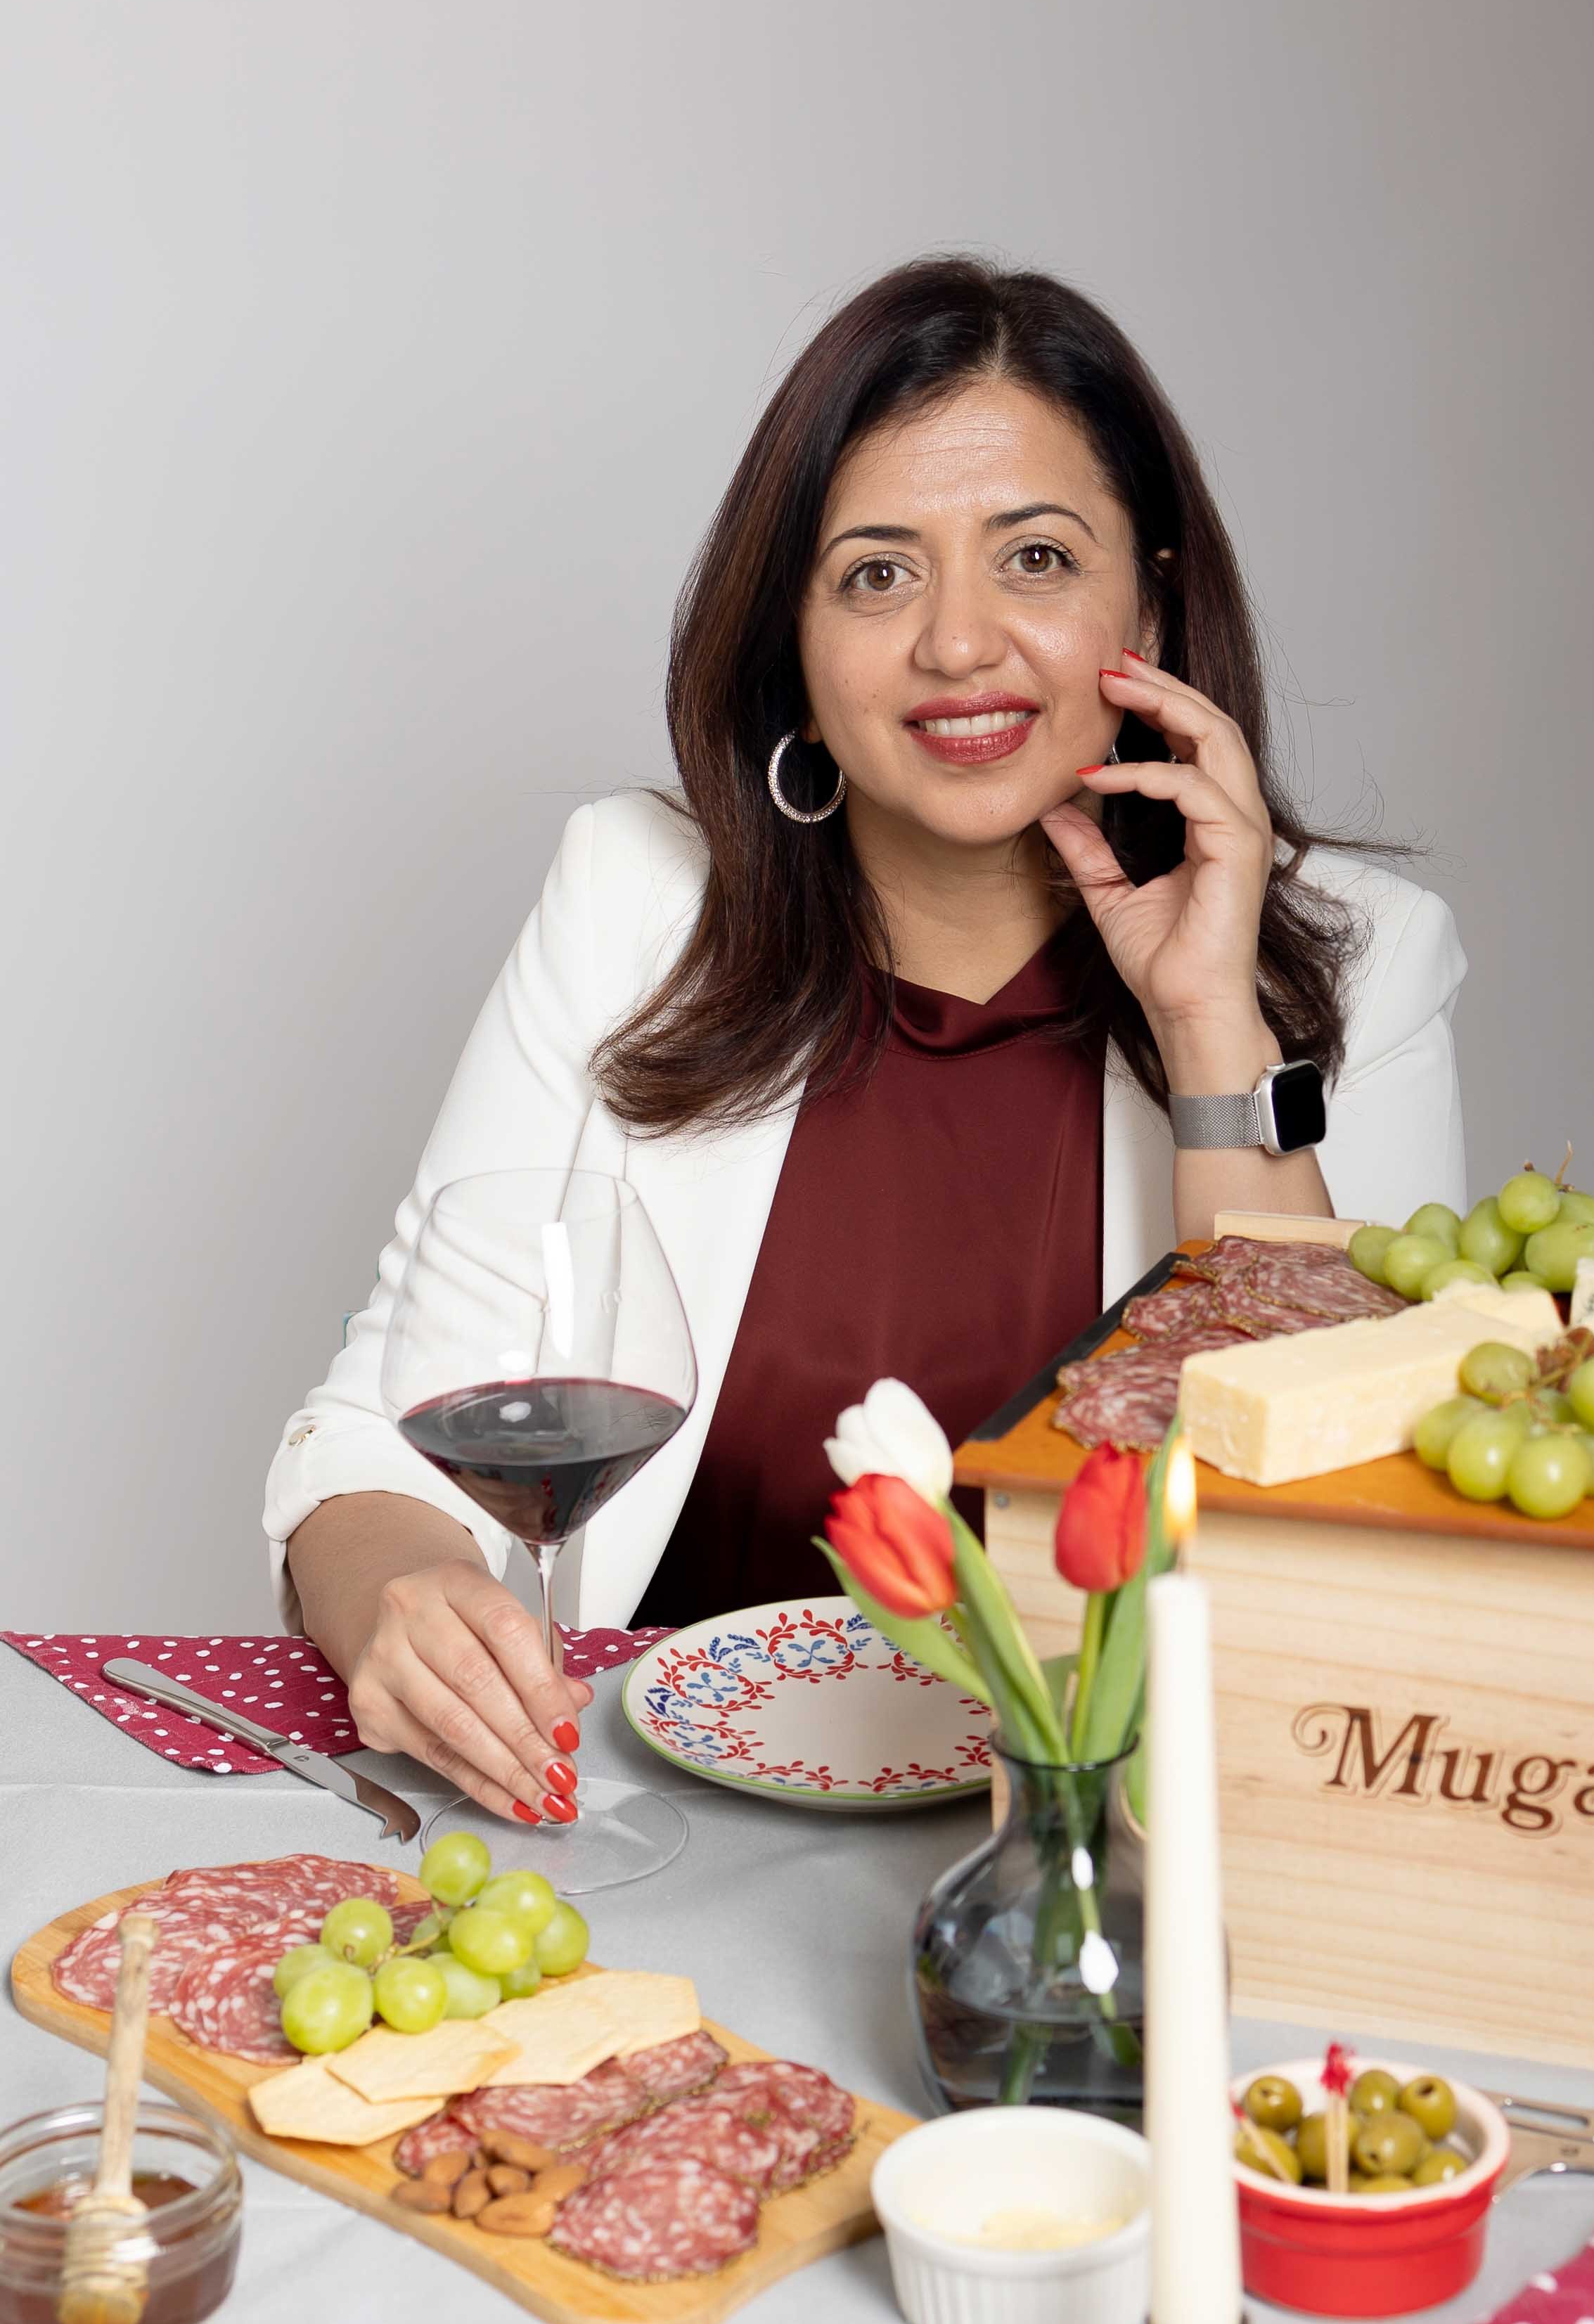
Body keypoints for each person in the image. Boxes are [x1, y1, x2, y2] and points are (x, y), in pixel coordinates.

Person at [266, 255, 1465, 1828]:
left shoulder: (1366, 968)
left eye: (1034, 558)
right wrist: (403, 1597)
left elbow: (1334, 1557)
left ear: (1150, 605)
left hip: (1108, 1863)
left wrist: (1205, 1027)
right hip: (645, 1835)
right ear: (799, 659)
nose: (959, 644)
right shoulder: (633, 906)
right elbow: (384, 1440)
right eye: (878, 575)